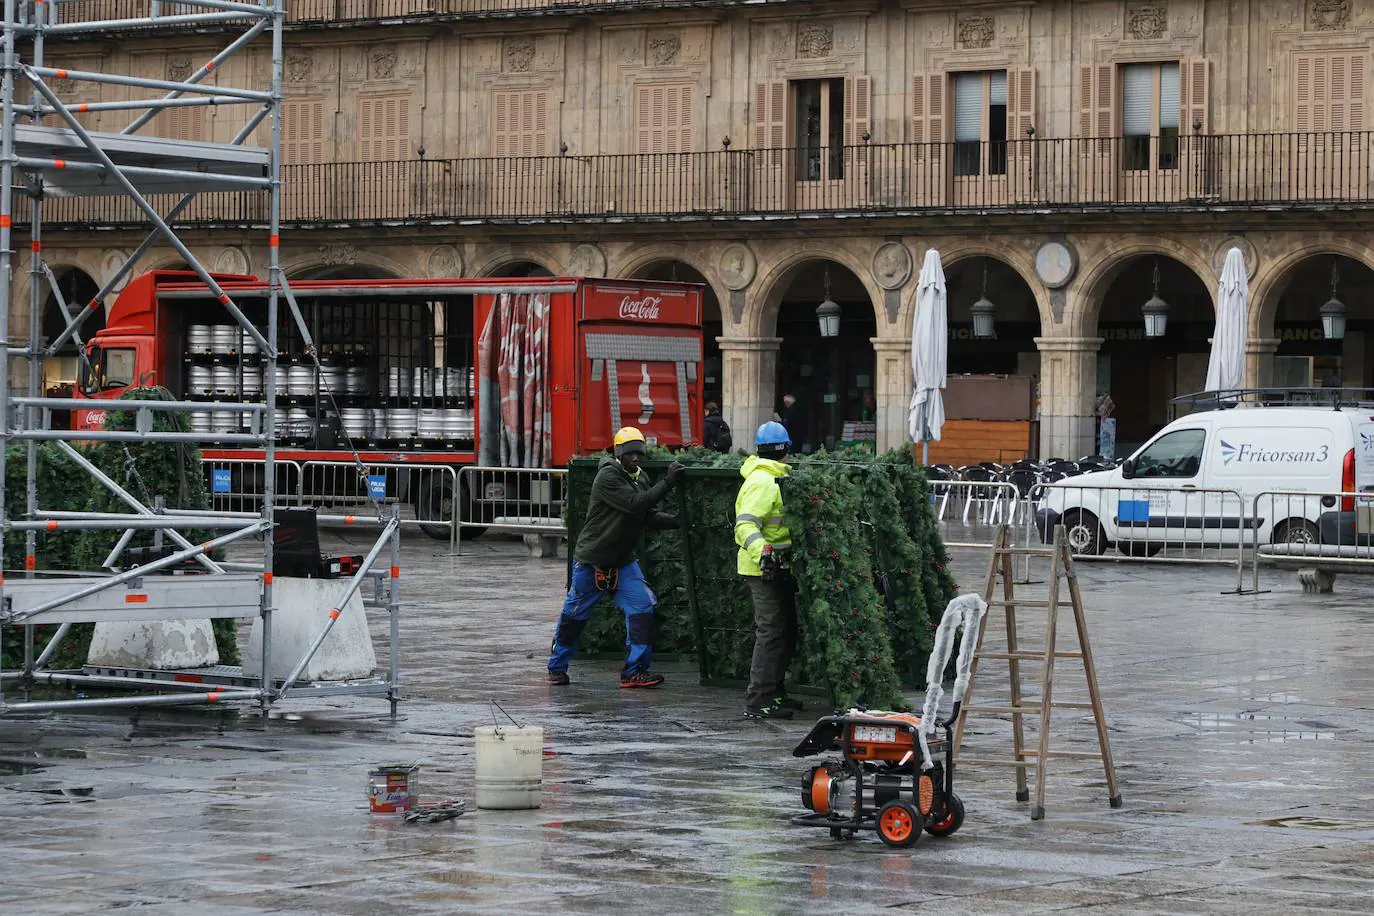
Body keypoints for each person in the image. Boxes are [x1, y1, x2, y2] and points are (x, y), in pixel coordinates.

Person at [547, 427, 685, 688]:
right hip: (593, 560)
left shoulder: (639, 477)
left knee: (643, 607)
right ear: (618, 452)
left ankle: (635, 671)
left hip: (622, 560)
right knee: (575, 615)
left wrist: (677, 522)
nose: (635, 458)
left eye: (639, 453)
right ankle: (557, 666)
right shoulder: (608, 476)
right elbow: (635, 503)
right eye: (630, 453)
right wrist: (667, 482)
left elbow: (645, 514)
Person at [735, 420, 802, 720]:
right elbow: (746, 524)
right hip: (762, 569)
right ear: (786, 449)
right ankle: (759, 699)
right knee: (771, 632)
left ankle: (774, 693)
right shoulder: (764, 482)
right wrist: (763, 552)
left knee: (783, 631)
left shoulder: (776, 478)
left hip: (776, 567)